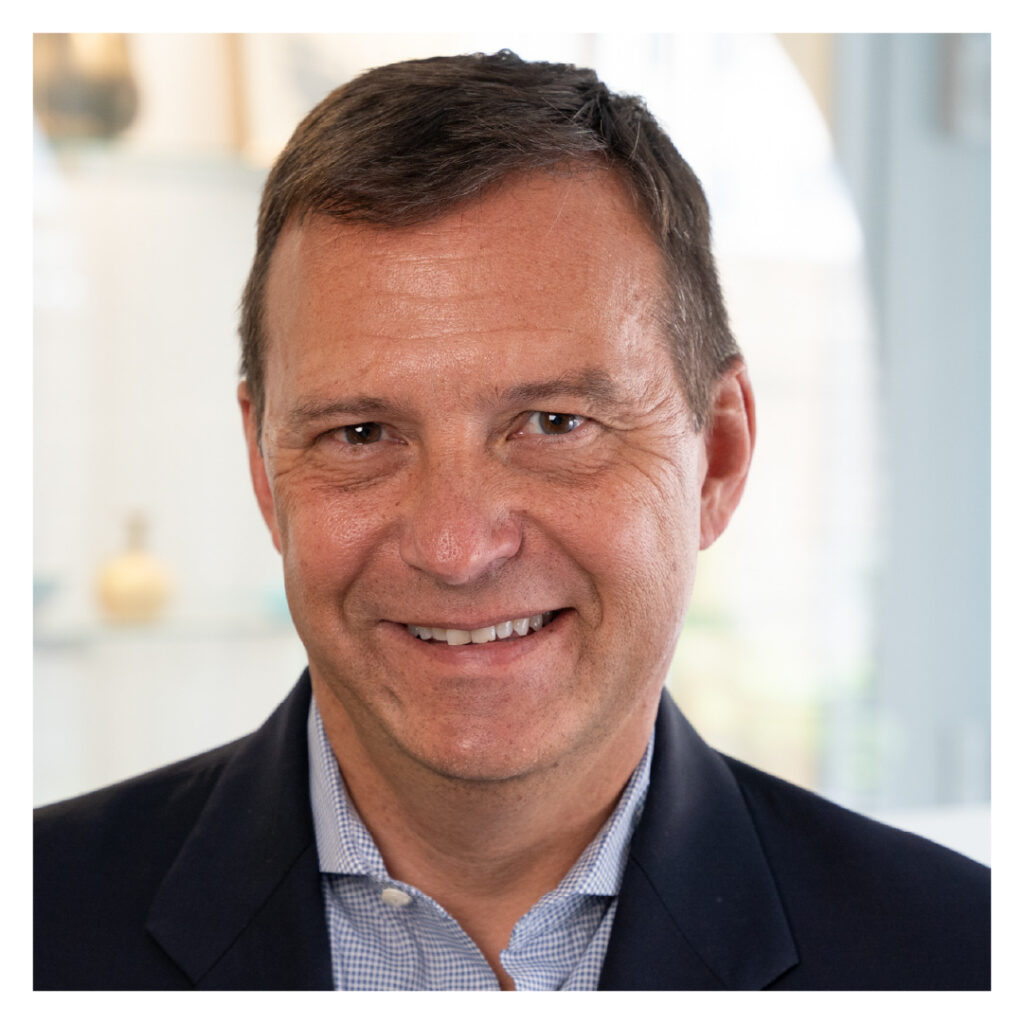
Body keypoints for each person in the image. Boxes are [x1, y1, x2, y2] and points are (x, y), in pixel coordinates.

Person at [33, 50, 989, 991]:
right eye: (360, 434)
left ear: (720, 455)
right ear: (263, 468)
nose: (456, 549)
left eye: (555, 424)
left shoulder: (962, 960)